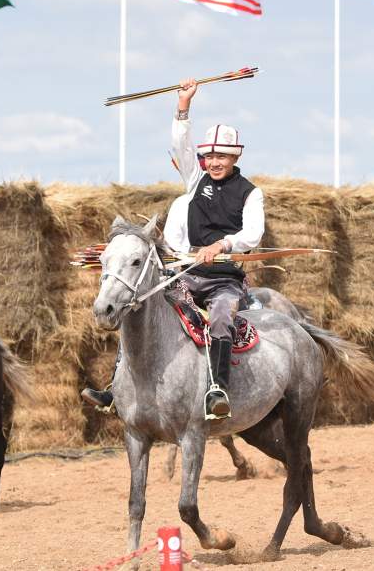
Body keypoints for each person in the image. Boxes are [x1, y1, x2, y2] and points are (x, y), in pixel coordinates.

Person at [82, 78, 264, 420]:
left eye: (221, 156)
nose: (213, 162)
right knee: (140, 308)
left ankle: (217, 390)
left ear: (234, 157)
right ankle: (114, 389)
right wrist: (183, 107)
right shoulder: (197, 182)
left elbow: (253, 234)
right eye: (209, 156)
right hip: (187, 274)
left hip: (224, 279)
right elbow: (181, 145)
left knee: (222, 319)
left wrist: (222, 244)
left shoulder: (250, 193)